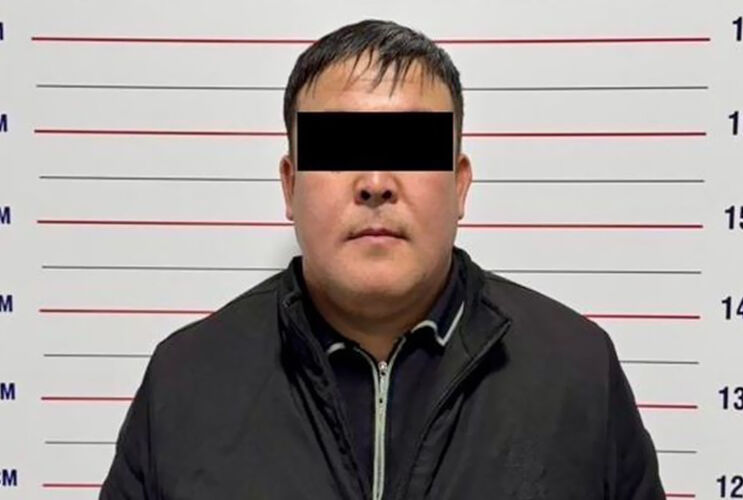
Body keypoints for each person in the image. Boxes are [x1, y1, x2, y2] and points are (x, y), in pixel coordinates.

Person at [100, 19, 665, 500]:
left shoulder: (577, 374)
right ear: (290, 186)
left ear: (460, 185)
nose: (375, 182)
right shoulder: (185, 382)